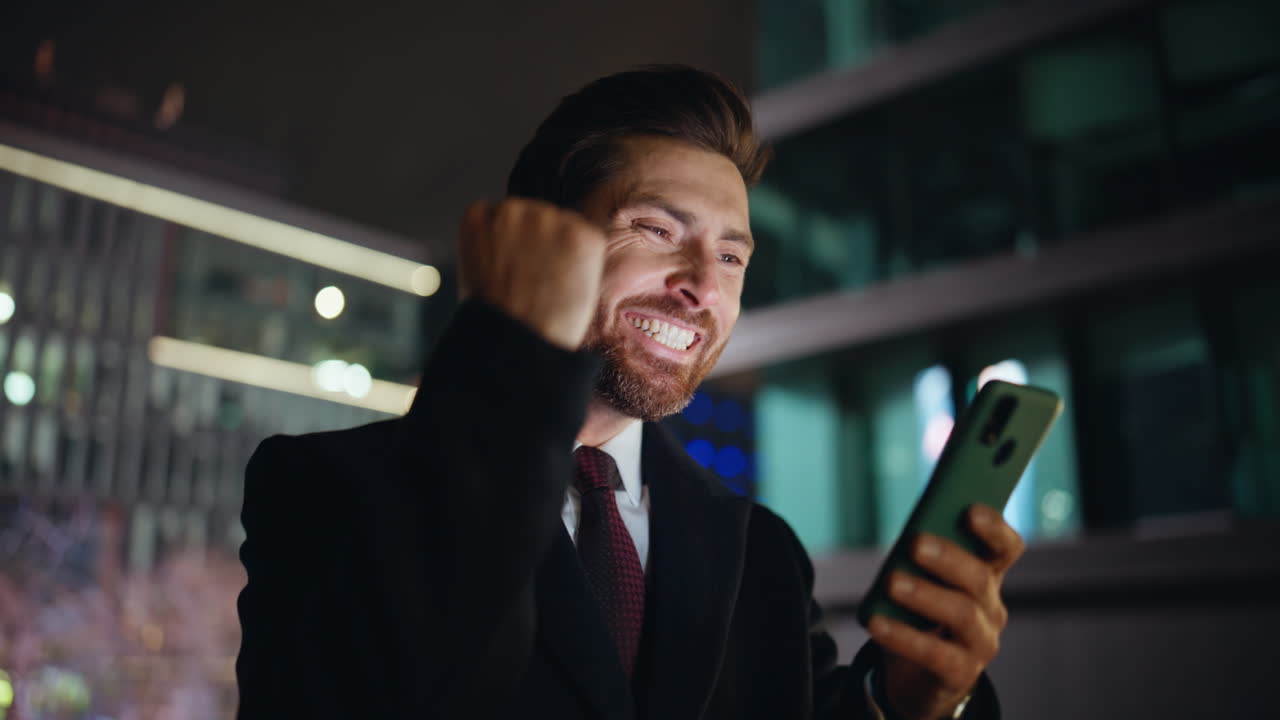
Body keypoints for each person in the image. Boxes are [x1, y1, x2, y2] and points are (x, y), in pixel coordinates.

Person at [235, 65, 1024, 719]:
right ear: (544, 235)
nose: (701, 286)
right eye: (656, 230)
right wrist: (513, 344)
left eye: (731, 258)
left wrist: (908, 703)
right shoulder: (328, 489)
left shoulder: (764, 554)